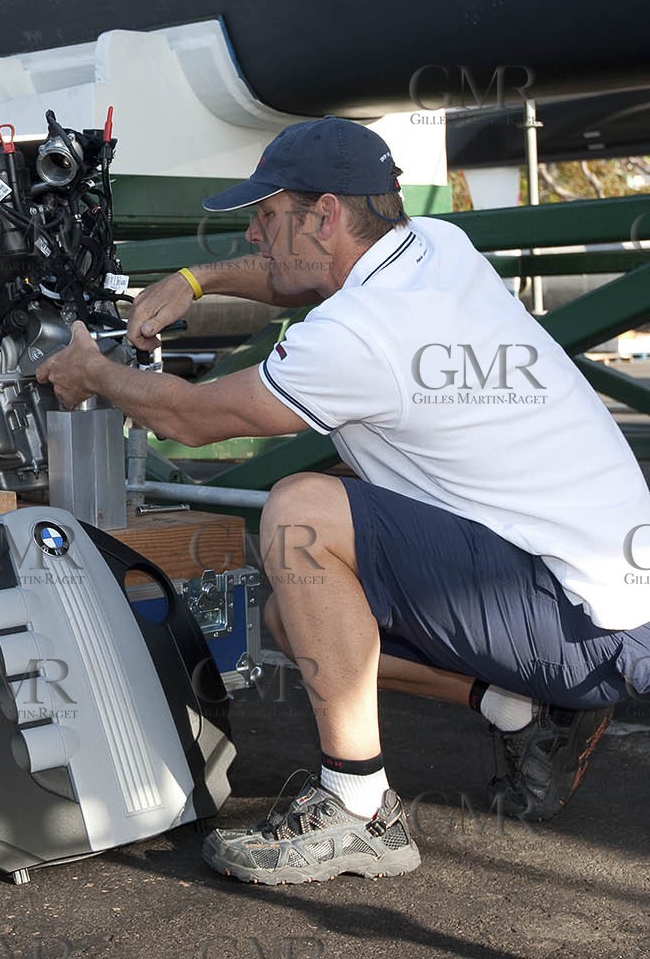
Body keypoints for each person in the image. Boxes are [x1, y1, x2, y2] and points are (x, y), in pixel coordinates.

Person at [35, 117, 650, 884]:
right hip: (598, 597)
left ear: (324, 214)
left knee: (299, 512)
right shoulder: (434, 246)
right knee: (289, 617)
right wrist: (197, 280)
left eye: (266, 217)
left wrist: (93, 374)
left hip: (583, 621)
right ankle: (520, 709)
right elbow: (298, 277)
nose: (256, 235)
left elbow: (191, 419)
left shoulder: (364, 331)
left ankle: (359, 811)